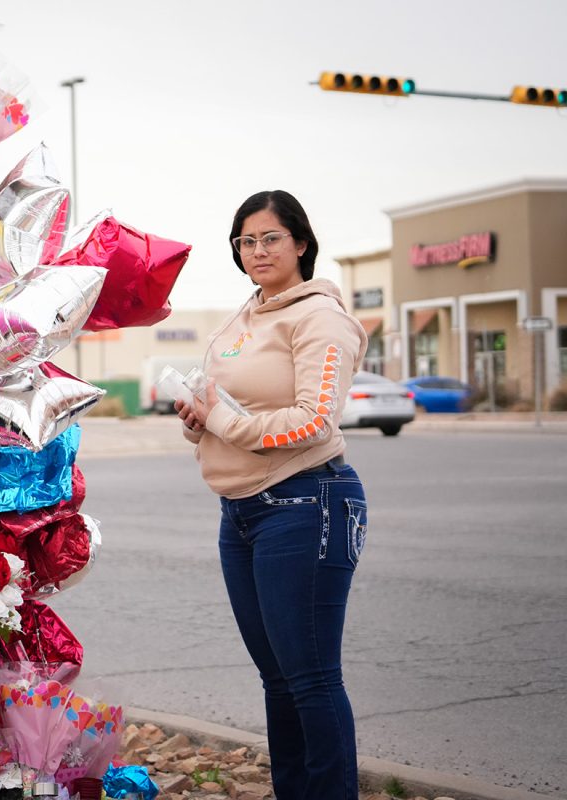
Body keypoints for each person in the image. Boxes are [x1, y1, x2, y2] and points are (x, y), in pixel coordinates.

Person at [174, 190, 368, 800]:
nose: (256, 251)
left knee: (310, 678)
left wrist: (227, 423)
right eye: (245, 242)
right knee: (278, 680)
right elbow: (234, 406)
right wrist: (198, 418)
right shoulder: (245, 316)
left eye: (269, 238)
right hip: (241, 513)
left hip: (307, 502)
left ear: (302, 243)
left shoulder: (320, 317)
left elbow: (316, 420)